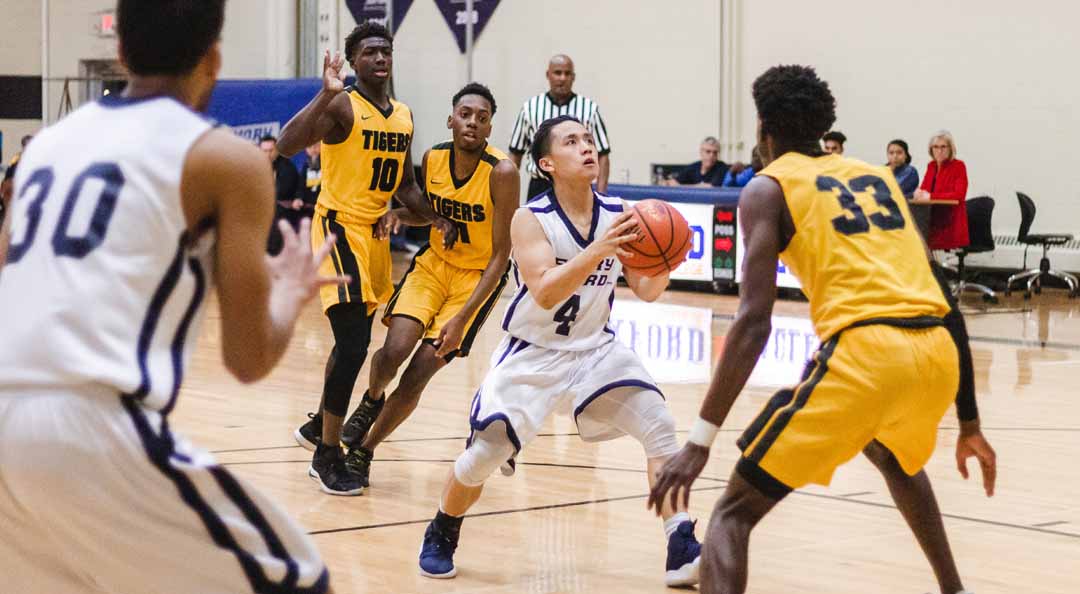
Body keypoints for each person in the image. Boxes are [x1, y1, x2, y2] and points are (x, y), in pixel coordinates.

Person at [0, 1, 342, 592]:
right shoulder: (227, 159)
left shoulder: (46, 147)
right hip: (85, 423)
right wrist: (288, 293)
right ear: (213, 60)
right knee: (298, 579)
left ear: (121, 53)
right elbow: (247, 358)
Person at [648, 65, 996, 594]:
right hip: (936, 353)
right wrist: (969, 422)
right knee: (893, 456)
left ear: (764, 128)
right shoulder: (878, 177)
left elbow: (752, 322)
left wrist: (698, 442)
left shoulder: (767, 189)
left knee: (731, 516)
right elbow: (947, 301)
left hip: (867, 353)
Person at [416, 115, 702, 587]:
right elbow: (546, 292)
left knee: (659, 423)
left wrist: (668, 259)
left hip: (594, 350)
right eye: (572, 142)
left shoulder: (620, 212)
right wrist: (601, 250)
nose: (587, 147)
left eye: (589, 139)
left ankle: (680, 541)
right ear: (547, 163)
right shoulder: (531, 219)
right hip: (532, 354)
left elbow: (646, 291)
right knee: (482, 457)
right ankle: (443, 528)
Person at [278, 21, 457, 495]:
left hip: (375, 238)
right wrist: (323, 93)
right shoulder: (341, 104)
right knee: (355, 343)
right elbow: (287, 144)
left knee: (350, 344)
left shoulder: (402, 115)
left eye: (386, 51)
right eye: (371, 52)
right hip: (337, 229)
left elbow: (408, 186)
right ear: (353, 61)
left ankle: (319, 426)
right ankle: (326, 454)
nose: (381, 58)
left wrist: (434, 216)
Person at [337, 82, 518, 490]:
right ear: (451, 119)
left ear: (490, 128)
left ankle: (364, 450)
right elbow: (433, 215)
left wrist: (464, 318)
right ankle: (372, 399)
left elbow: (501, 255)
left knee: (419, 372)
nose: (473, 122)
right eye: (466, 114)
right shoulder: (433, 157)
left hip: (476, 279)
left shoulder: (502, 172)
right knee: (393, 351)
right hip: (434, 265)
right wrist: (400, 215)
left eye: (482, 118)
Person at [508, 54, 612, 198]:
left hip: (578, 185)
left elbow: (603, 155)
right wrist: (508, 194)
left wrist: (601, 195)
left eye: (567, 73)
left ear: (573, 77)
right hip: (540, 185)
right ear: (548, 75)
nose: (562, 78)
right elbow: (515, 154)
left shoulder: (589, 109)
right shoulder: (530, 108)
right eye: (558, 73)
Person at [914, 131, 968, 250]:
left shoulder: (959, 166)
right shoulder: (931, 166)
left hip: (950, 221)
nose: (939, 150)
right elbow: (925, 189)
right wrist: (919, 193)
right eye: (936, 147)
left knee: (921, 241)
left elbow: (959, 195)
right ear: (931, 149)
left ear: (950, 148)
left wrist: (930, 196)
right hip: (931, 217)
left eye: (943, 147)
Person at [260, 134, 302, 254]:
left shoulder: (287, 168)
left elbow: (282, 192)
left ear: (277, 150)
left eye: (271, 150)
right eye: (264, 151)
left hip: (283, 218)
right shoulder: (256, 167)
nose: (268, 154)